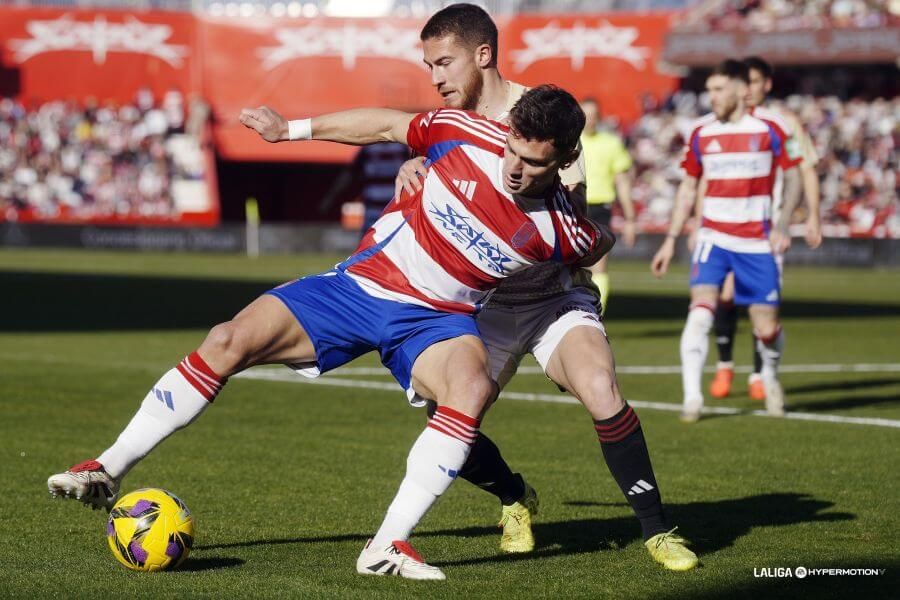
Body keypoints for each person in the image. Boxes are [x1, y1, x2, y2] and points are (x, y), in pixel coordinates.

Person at [47, 85, 614, 581]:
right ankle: (106, 467)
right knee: (226, 340)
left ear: (564, 159)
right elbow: (388, 123)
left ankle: (386, 545)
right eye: (513, 150)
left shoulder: (565, 231)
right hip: (361, 285)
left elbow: (592, 250)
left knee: (471, 388)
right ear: (507, 133)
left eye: (533, 163)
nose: (514, 169)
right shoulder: (462, 132)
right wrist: (289, 130)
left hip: (437, 318)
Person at [392, 3, 697, 571]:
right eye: (429, 66)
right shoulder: (448, 120)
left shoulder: (543, 118)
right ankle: (514, 496)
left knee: (601, 387)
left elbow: (573, 225)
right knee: (446, 418)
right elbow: (427, 161)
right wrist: (412, 169)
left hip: (553, 298)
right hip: (483, 304)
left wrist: (577, 234)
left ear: (481, 55)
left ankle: (658, 530)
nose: (435, 78)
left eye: (443, 63)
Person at [651, 59, 817, 422]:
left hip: (757, 241)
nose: (711, 96)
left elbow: (793, 179)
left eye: (718, 89)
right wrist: (671, 239)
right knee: (700, 313)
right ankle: (692, 398)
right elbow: (689, 187)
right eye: (709, 89)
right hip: (714, 236)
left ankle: (769, 375)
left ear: (742, 90)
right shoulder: (700, 132)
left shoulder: (771, 128)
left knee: (767, 328)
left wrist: (784, 222)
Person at [707, 56, 822, 401]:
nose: (748, 90)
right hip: (728, 226)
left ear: (765, 85)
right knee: (725, 294)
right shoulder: (723, 122)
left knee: (763, 306)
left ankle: (760, 374)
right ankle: (725, 365)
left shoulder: (783, 124)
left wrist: (812, 215)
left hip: (767, 227)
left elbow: (805, 170)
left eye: (755, 82)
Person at [579, 97, 637, 315]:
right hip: (574, 206)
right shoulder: (569, 141)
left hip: (600, 207)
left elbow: (622, 181)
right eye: (585, 115)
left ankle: (596, 312)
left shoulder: (611, 143)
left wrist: (630, 218)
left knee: (599, 266)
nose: (589, 120)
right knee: (572, 265)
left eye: (593, 115)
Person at [318, 142, 411, 235]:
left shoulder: (401, 148)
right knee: (370, 242)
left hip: (394, 208)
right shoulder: (369, 149)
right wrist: (331, 197)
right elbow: (350, 174)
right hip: (373, 208)